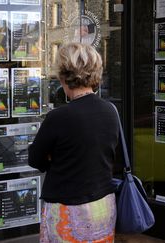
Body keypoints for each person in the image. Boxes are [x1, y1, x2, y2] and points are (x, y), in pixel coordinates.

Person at [28, 43, 119, 242]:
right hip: (103, 204)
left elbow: (35, 159)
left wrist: (53, 159)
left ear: (63, 76)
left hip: (67, 209)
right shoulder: (111, 111)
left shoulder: (59, 117)